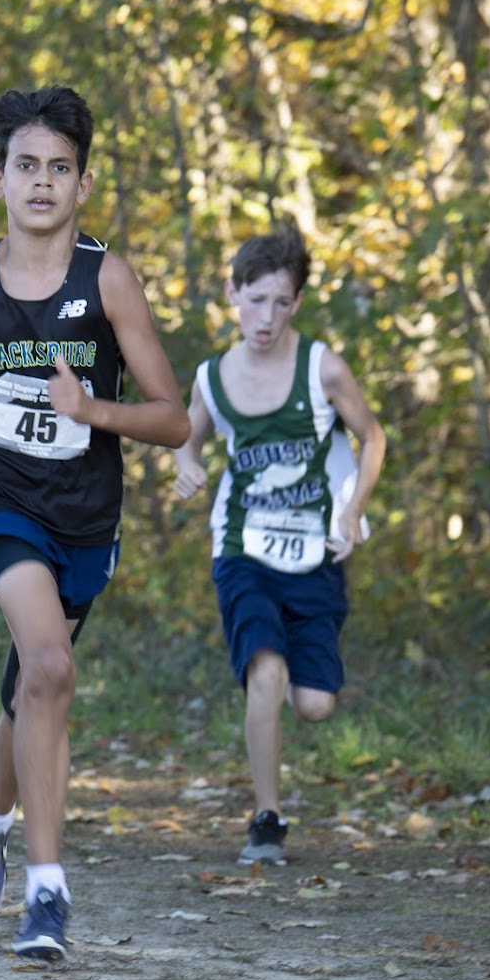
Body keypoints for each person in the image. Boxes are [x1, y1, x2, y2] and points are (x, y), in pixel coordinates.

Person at [0, 85, 190, 958]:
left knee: (33, 686)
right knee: (50, 666)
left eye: (59, 168)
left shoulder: (107, 279)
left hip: (86, 515)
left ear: (83, 185)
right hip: (0, 500)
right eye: (26, 166)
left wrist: (94, 410)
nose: (42, 182)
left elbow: (173, 419)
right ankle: (46, 895)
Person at [173, 220, 385, 865]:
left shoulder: (323, 368)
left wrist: (353, 512)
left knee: (315, 705)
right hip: (243, 546)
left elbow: (374, 437)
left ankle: (296, 680)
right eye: (255, 299)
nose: (266, 317)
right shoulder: (213, 377)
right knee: (265, 671)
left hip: (316, 550)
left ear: (297, 302)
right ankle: (267, 819)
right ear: (232, 294)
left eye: (281, 302)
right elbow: (187, 437)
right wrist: (186, 465)